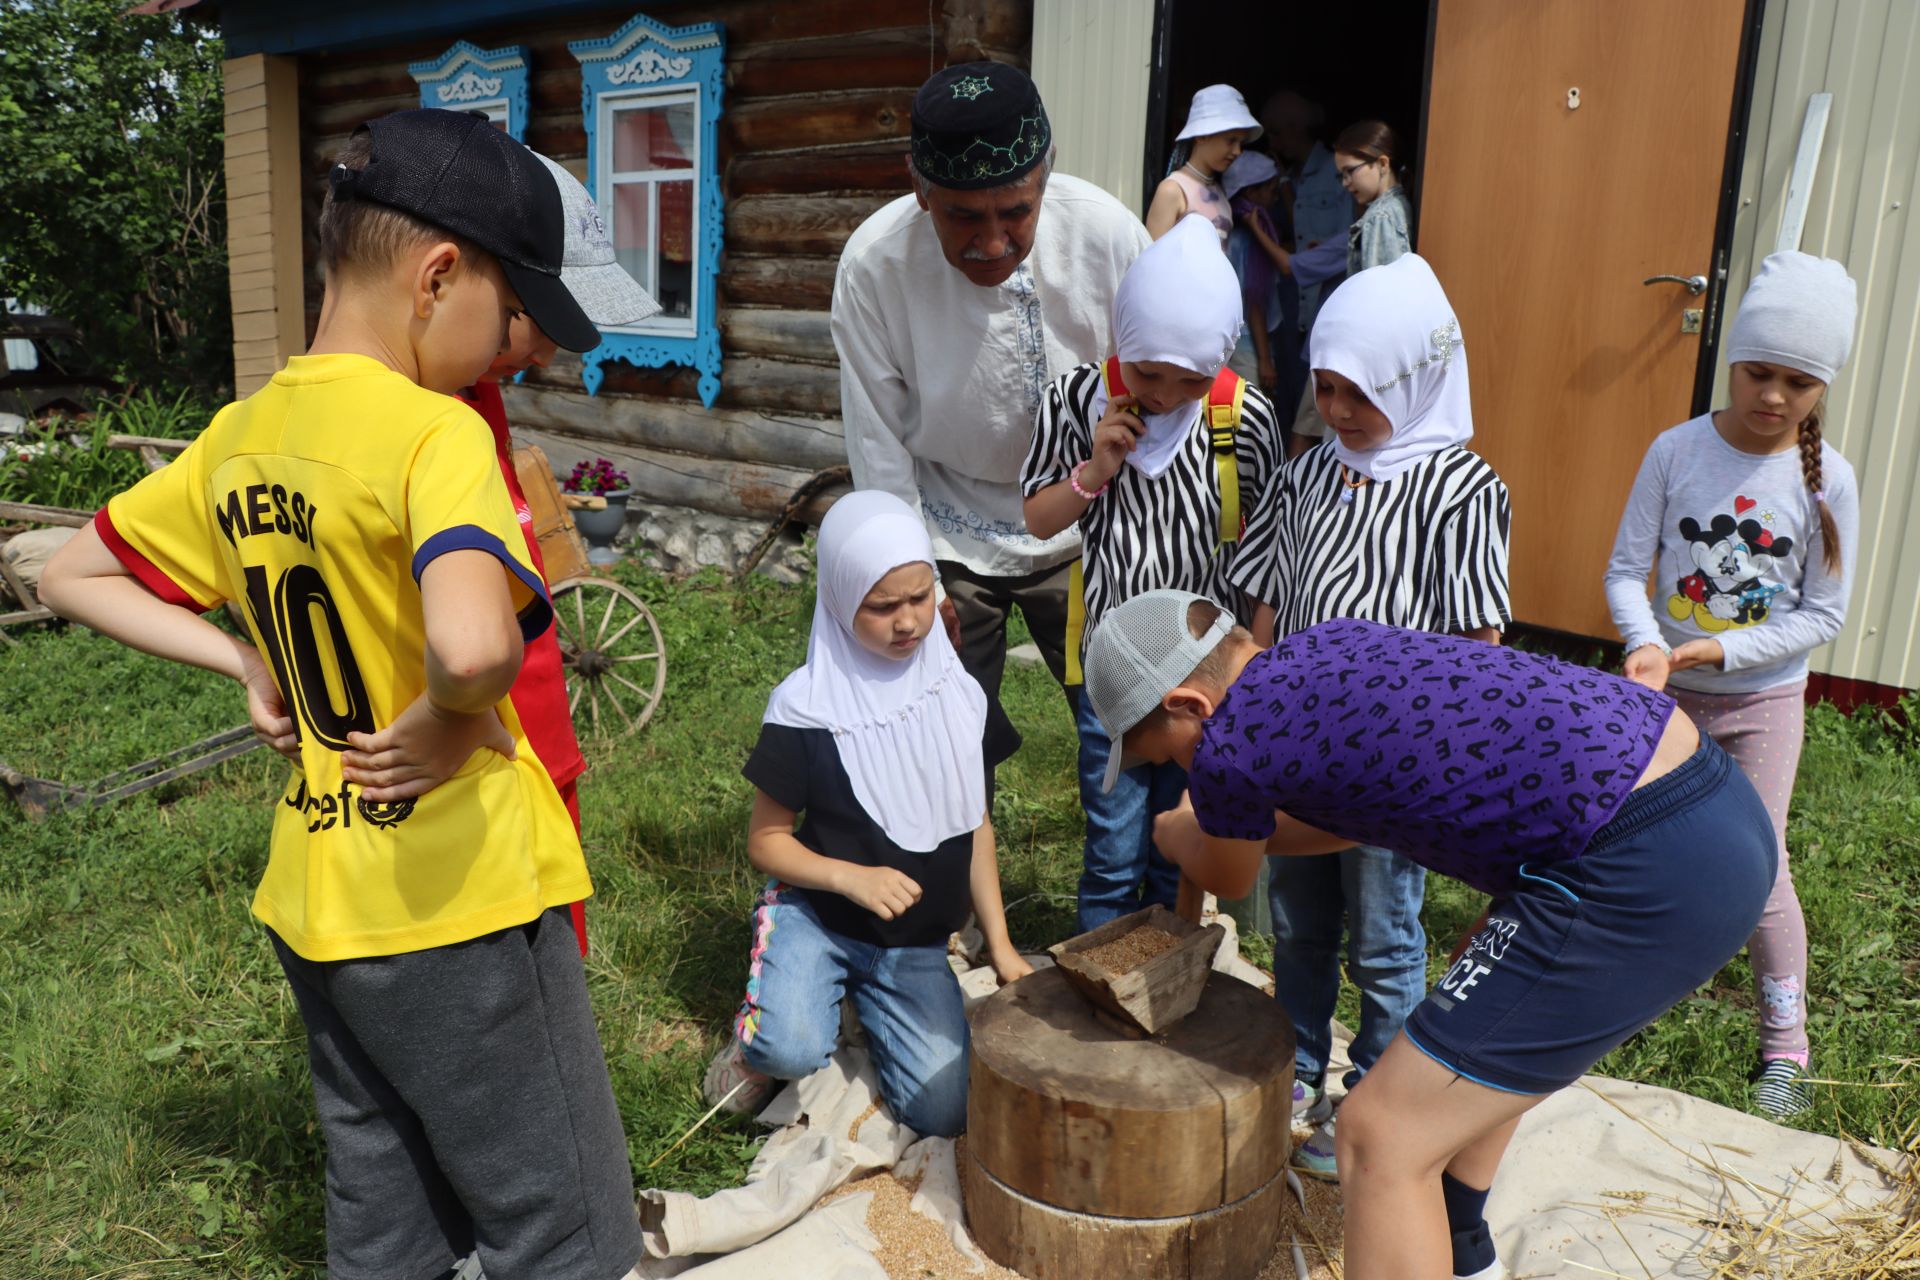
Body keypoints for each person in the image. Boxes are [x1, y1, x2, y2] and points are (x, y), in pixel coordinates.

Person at [40, 109, 647, 1280]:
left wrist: (244, 656)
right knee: (561, 1224)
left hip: (322, 897)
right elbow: (474, 649)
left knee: (384, 1208)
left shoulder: (241, 434)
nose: (507, 343)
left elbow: (76, 570)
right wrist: (450, 716)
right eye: (502, 305)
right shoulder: (432, 433)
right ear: (436, 277)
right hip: (459, 903)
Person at [1083, 590, 1775, 1280]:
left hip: (1642, 864)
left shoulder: (1228, 746)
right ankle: (1464, 1253)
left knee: (1379, 1138)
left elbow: (1229, 875)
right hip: (1704, 796)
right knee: (1474, 1044)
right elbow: (1357, 814)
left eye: (1162, 755)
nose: (1178, 772)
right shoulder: (1324, 645)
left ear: (1189, 706)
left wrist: (1178, 834)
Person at [350, 150, 661, 958]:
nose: (548, 356)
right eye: (539, 317)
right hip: (452, 763)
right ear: (453, 282)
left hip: (535, 738)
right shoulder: (398, 416)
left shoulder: (473, 392)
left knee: (553, 963)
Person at [1262, 253, 1512, 1180]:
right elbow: (1266, 598)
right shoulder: (1306, 477)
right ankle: (1286, 1065)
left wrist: (1454, 762)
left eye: (1357, 394)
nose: (1335, 411)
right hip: (1298, 752)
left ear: (1414, 380)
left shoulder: (1462, 491)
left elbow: (1479, 639)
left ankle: (1374, 1089)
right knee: (1297, 918)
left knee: (1386, 929)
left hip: (1397, 769)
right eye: (1323, 389)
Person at [833, 61, 1149, 787]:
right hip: (948, 530)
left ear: (1047, 174)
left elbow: (1158, 384)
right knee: (939, 739)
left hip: (1085, 515)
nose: (994, 242)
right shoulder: (875, 265)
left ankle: (1132, 894)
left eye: (1017, 212)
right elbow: (876, 439)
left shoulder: (1106, 236)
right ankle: (951, 899)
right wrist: (914, 574)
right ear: (920, 188)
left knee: (1128, 724)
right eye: (963, 217)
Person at [1604, 251, 1860, 1119]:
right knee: (1636, 845)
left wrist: (1716, 654)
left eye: (1799, 380)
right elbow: (1624, 571)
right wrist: (1647, 642)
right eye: (1759, 372)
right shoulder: (1675, 450)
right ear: (1732, 361)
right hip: (1664, 697)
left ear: (1821, 387)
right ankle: (1618, 1001)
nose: (1774, 396)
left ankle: (1785, 1043)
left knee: (1760, 867)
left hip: (1761, 703)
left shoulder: (1830, 483)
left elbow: (1822, 615)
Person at [703, 491, 1033, 1135]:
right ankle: (756, 1039)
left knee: (947, 1112)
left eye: (919, 598)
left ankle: (858, 1005)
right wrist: (851, 878)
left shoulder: (957, 693)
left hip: (912, 944)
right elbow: (767, 842)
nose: (907, 621)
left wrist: (1000, 946)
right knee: (791, 1048)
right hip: (821, 917)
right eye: (882, 607)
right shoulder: (806, 707)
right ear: (838, 599)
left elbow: (976, 824)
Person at [1020, 213, 1286, 930]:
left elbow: (1267, 549)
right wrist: (1094, 471)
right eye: (1146, 374)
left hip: (1210, 679)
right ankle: (1101, 968)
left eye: (1187, 379)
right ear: (1120, 341)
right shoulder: (1078, 399)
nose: (1164, 394)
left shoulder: (1243, 416)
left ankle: (1169, 968)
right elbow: (1037, 519)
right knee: (1112, 842)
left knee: (1184, 834)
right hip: (1113, 670)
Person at [1260, 89, 1351, 457]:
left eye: (1277, 133)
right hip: (1287, 304)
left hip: (1319, 298)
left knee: (1313, 403)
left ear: (1296, 128)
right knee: (1289, 396)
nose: (1274, 142)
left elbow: (1345, 239)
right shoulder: (1282, 177)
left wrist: (1316, 250)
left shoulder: (1335, 174)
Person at [1147, 84, 1261, 242]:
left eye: (1241, 143)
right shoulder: (1172, 190)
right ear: (1201, 136)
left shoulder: (1219, 192)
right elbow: (1151, 262)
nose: (1237, 151)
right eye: (1231, 140)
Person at [1223, 150, 1293, 405]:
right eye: (1272, 191)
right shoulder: (1251, 239)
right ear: (1251, 193)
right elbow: (1254, 305)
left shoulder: (1231, 232)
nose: (1275, 199)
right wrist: (1265, 360)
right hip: (1248, 348)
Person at [1334, 120, 1414, 275]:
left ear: (1383, 164)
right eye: (1341, 175)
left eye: (1350, 171)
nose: (1345, 183)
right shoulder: (1397, 205)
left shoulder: (1380, 217)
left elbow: (1380, 292)